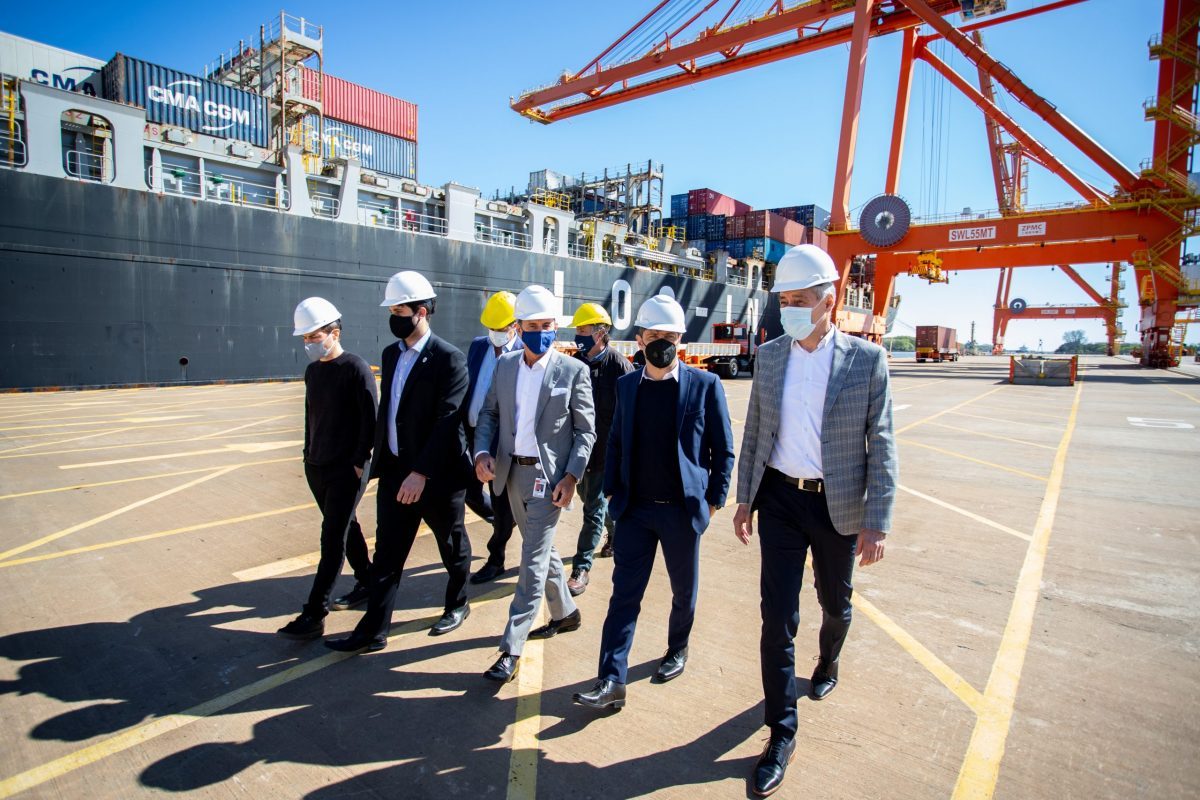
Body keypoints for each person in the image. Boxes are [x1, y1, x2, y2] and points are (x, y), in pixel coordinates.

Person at [732, 244, 898, 797]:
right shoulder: (772, 355)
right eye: (784, 300)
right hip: (779, 499)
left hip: (837, 505)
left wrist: (877, 520)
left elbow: (883, 443)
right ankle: (781, 731)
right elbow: (756, 429)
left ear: (829, 300)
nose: (790, 309)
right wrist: (744, 499)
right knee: (776, 617)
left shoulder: (867, 361)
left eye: (801, 300)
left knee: (836, 603)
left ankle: (828, 659)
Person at [573, 294, 734, 710]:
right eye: (653, 335)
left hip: (682, 511)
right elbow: (614, 440)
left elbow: (723, 450)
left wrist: (713, 503)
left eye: (669, 335)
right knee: (624, 595)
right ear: (639, 340)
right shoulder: (627, 385)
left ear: (680, 338)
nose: (661, 341)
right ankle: (611, 679)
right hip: (636, 511)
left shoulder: (705, 385)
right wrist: (610, 490)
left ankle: (677, 648)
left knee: (684, 593)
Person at [325, 271, 474, 654]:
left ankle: (457, 604)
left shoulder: (449, 359)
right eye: (391, 309)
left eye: (399, 309)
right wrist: (369, 459)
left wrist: (421, 473)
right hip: (394, 471)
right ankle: (373, 629)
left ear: (421, 312)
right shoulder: (391, 354)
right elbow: (387, 410)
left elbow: (447, 421)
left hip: (437, 476)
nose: (393, 316)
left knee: (451, 543)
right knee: (388, 554)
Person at [473, 285, 596, 683]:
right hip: (511, 474)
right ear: (518, 327)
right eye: (531, 326)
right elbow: (489, 413)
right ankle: (566, 613)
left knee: (532, 561)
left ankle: (511, 648)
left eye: (547, 326)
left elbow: (586, 432)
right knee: (541, 553)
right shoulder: (505, 367)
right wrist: (481, 453)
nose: (539, 332)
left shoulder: (573, 371)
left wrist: (573, 477)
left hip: (549, 479)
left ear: (555, 327)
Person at [277, 298, 378, 640]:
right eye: (304, 338)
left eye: (314, 336)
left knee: (332, 537)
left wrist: (358, 463)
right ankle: (367, 579)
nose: (309, 343)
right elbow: (311, 418)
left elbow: (371, 422)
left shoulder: (355, 368)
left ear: (334, 333)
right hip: (316, 466)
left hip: (346, 471)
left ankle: (315, 612)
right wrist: (308, 455)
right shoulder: (313, 371)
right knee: (346, 527)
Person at [566, 301, 633, 595]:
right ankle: (616, 534)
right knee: (588, 499)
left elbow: (631, 413)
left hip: (606, 451)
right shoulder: (574, 363)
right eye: (577, 329)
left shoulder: (620, 367)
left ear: (601, 332)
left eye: (584, 329)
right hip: (578, 450)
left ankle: (581, 567)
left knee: (592, 507)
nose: (579, 335)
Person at [465, 291, 524, 584]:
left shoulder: (525, 354)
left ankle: (496, 557)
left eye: (501, 329)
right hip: (474, 437)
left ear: (515, 325)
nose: (495, 335)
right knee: (468, 491)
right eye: (491, 328)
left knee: (501, 504)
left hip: (504, 444)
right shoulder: (478, 347)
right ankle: (504, 519)